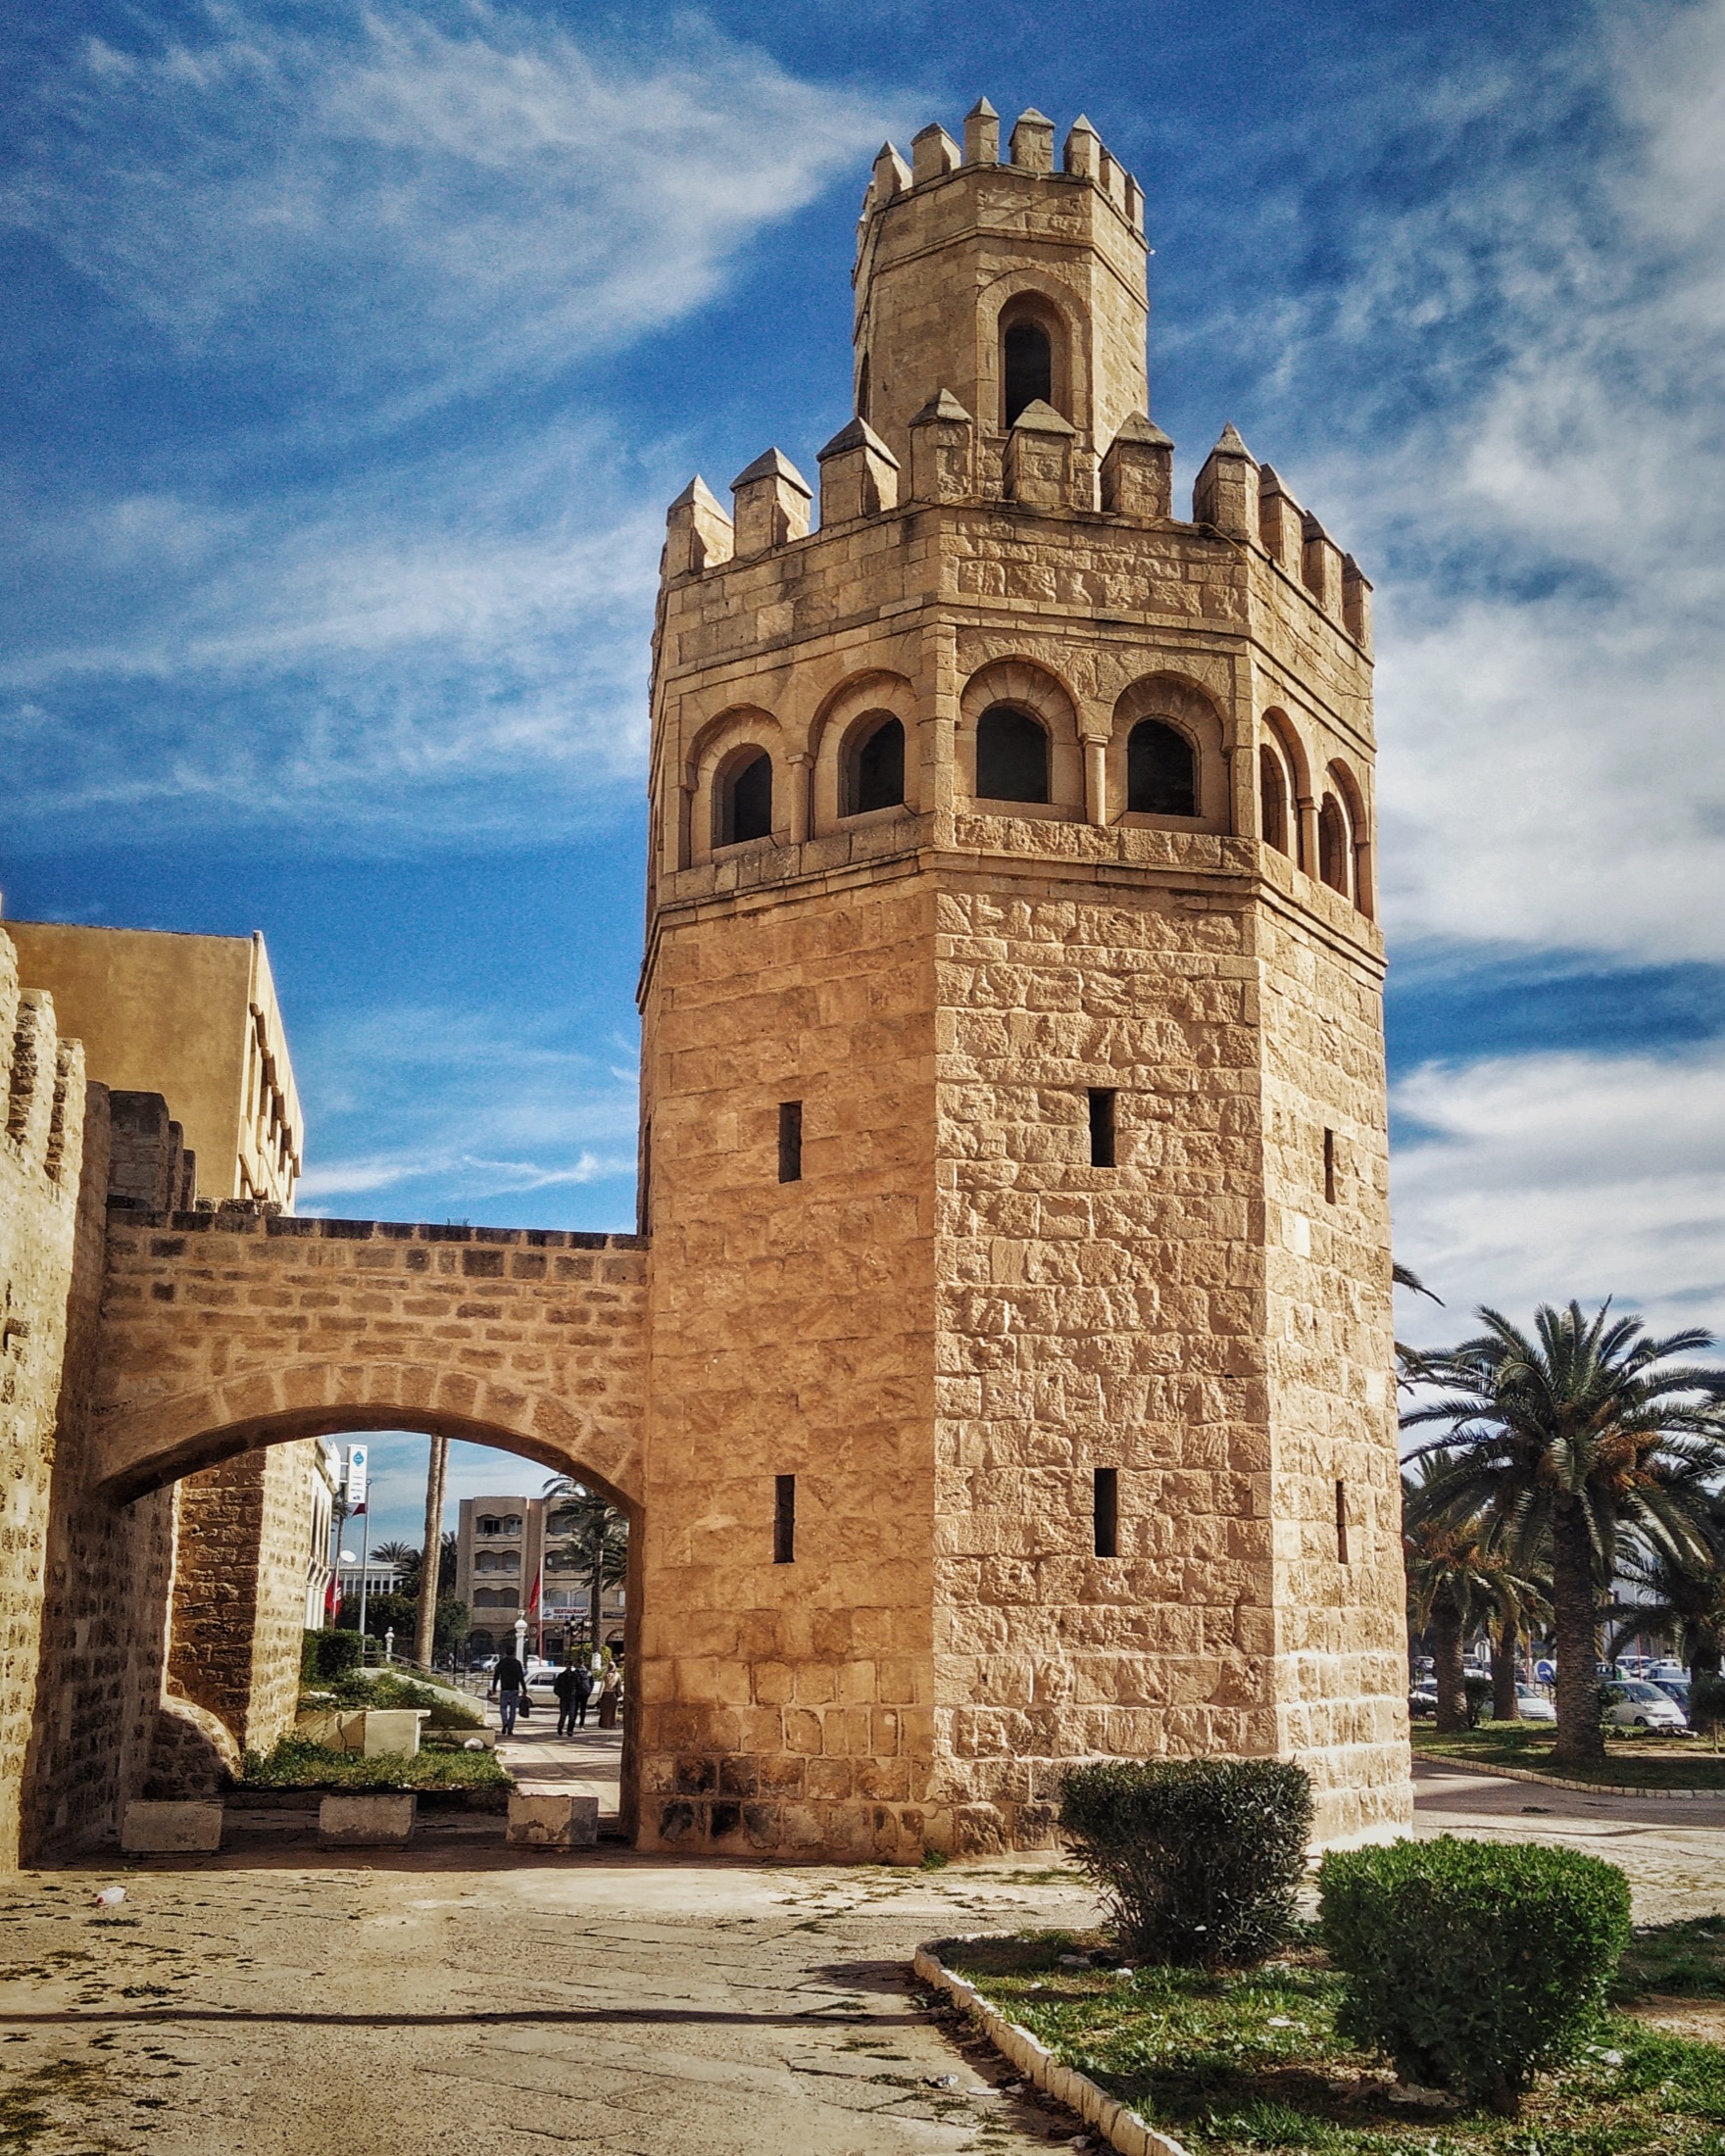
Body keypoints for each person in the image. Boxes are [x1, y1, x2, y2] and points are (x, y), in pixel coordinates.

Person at [490, 1646, 527, 1737]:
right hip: (514, 1688)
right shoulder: (517, 1663)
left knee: (503, 1707)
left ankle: (504, 1722)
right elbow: (521, 1677)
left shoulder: (502, 1662)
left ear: (506, 1653)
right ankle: (510, 1728)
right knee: (513, 1709)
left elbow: (496, 1676)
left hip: (505, 1688)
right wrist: (524, 1689)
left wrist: (494, 1687)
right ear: (513, 1652)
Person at [552, 1661, 580, 1738]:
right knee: (563, 1715)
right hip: (564, 1698)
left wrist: (576, 1694)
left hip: (572, 1698)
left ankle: (570, 1730)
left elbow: (578, 1686)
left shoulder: (575, 1675)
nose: (569, 1667)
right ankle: (560, 1728)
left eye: (570, 1665)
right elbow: (556, 1687)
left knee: (572, 1715)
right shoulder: (561, 1676)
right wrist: (560, 1694)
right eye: (568, 1665)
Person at [571, 1660, 595, 1729]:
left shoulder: (575, 1672)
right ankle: (582, 1724)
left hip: (576, 1693)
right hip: (585, 1693)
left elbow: (571, 1683)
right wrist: (589, 1691)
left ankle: (573, 1723)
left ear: (578, 1663)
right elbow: (592, 1682)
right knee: (583, 1709)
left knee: (575, 1709)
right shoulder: (588, 1672)